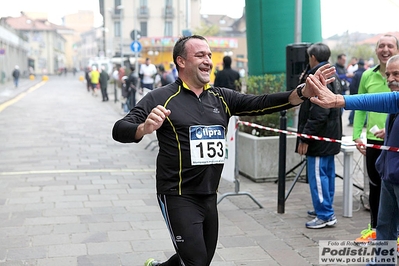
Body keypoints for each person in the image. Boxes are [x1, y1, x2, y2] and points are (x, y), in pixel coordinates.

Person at [112, 35, 333, 266]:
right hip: (177, 194)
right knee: (196, 261)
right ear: (181, 62)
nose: (207, 60)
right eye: (200, 55)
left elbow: (262, 102)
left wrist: (303, 93)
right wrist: (143, 127)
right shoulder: (161, 98)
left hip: (209, 194)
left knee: (201, 259)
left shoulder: (221, 98)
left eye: (209, 55)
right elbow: (119, 129)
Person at [309, 55, 399, 265]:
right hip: (388, 175)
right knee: (384, 226)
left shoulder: (394, 98)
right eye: (388, 74)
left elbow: (390, 101)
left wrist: (340, 100)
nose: (391, 79)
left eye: (397, 74)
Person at [351, 34, 399, 244]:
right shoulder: (368, 76)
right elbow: (362, 104)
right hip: (376, 142)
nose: (385, 49)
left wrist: (337, 100)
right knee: (377, 191)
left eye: (390, 45)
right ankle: (376, 236)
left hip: (394, 148)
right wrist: (356, 135)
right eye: (381, 46)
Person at [295, 43, 342, 229]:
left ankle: (325, 214)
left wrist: (305, 137)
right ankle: (324, 208)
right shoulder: (333, 73)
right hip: (330, 136)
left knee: (318, 176)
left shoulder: (317, 77)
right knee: (327, 175)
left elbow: (319, 112)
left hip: (320, 138)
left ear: (312, 57)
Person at [348, 59, 366, 126]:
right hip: (364, 94)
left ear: (358, 65)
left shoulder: (356, 74)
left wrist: (351, 94)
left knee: (354, 108)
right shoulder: (366, 73)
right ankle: (364, 122)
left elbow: (352, 85)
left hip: (356, 93)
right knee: (364, 109)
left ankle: (351, 121)